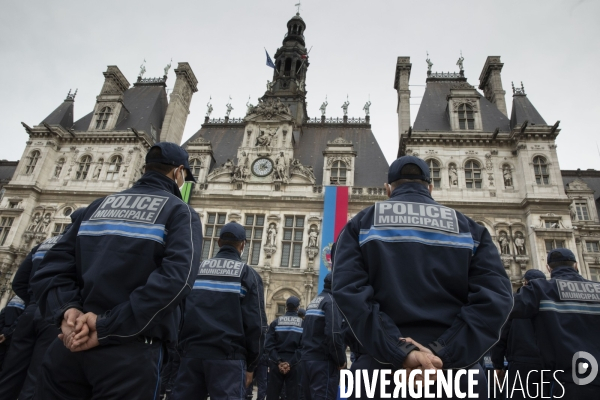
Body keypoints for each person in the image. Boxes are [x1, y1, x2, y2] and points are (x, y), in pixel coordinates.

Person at [31, 142, 202, 400]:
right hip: (129, 352)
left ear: (146, 168)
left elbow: (50, 268)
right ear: (178, 172)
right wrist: (106, 326)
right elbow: (176, 281)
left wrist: (68, 311)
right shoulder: (180, 212)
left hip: (70, 344)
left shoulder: (96, 206)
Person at [332, 155, 513, 398]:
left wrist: (402, 350)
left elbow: (349, 295)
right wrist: (441, 353)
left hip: (380, 373)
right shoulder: (472, 230)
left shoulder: (360, 225)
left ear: (388, 189)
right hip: (457, 375)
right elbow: (496, 300)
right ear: (430, 188)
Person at [172, 221, 267, 400]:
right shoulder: (247, 275)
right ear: (243, 245)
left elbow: (179, 313)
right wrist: (252, 365)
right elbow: (257, 326)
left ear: (218, 242)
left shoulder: (196, 270)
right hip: (228, 358)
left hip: (191, 355)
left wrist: (181, 351)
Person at [511, 248, 600, 399]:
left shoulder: (541, 289)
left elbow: (502, 306)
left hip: (567, 382)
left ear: (548, 268)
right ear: (576, 265)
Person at [491, 269, 545, 399]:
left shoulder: (514, 303)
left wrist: (497, 365)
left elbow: (501, 337)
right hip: (546, 364)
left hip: (520, 363)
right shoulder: (551, 304)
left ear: (525, 283)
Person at [300, 273, 346, 400]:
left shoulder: (314, 302)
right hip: (323, 362)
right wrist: (340, 360)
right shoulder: (331, 302)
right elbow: (333, 334)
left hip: (307, 360)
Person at [265, 296, 303, 400]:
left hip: (276, 363)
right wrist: (290, 363)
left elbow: (268, 345)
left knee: (272, 394)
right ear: (297, 308)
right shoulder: (302, 324)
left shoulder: (275, 322)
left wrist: (279, 362)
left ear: (286, 307)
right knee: (293, 395)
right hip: (294, 364)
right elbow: (303, 347)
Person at [0, 295, 25, 369]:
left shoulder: (13, 298)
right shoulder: (29, 299)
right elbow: (21, 319)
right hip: (15, 334)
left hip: (3, 332)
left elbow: (2, 314)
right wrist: (7, 334)